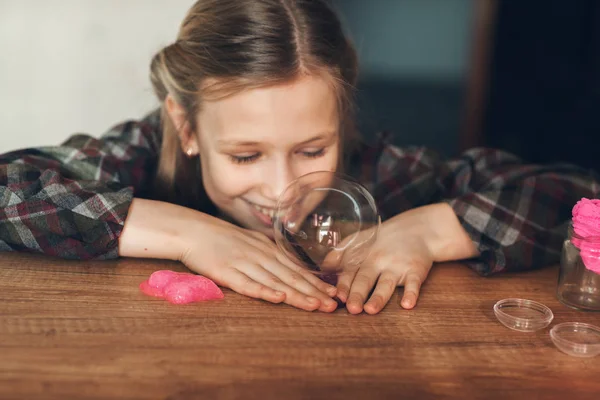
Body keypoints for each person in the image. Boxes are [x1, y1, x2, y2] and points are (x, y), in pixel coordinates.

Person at [1, 0, 598, 315]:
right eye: (244, 156)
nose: (282, 188)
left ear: (341, 124)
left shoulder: (382, 172)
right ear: (186, 127)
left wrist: (430, 230)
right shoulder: (139, 152)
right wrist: (185, 231)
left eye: (313, 149)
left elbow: (578, 194)